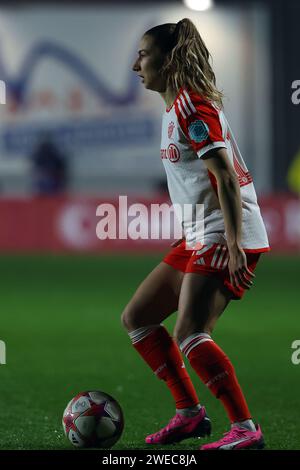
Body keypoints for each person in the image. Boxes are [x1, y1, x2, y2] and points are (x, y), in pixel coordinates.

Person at [122, 18, 270, 450]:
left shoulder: (191, 106)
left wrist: (234, 244)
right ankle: (189, 415)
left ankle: (246, 430)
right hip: (199, 234)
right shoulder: (176, 107)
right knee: (138, 318)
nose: (136, 65)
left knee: (190, 331)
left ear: (168, 62)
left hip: (223, 234)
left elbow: (225, 178)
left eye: (144, 55)